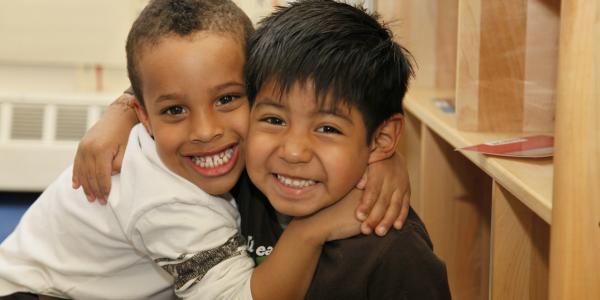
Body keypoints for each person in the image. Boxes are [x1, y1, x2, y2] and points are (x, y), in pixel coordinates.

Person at [0, 1, 376, 299]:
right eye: (175, 110)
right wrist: (311, 230)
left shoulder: (181, 145)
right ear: (145, 118)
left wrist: (378, 162)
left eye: (227, 99)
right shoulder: (167, 204)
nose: (206, 131)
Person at [237, 1, 452, 298]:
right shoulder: (234, 193)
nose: (293, 152)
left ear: (381, 139)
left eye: (327, 128)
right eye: (274, 120)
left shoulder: (395, 252)